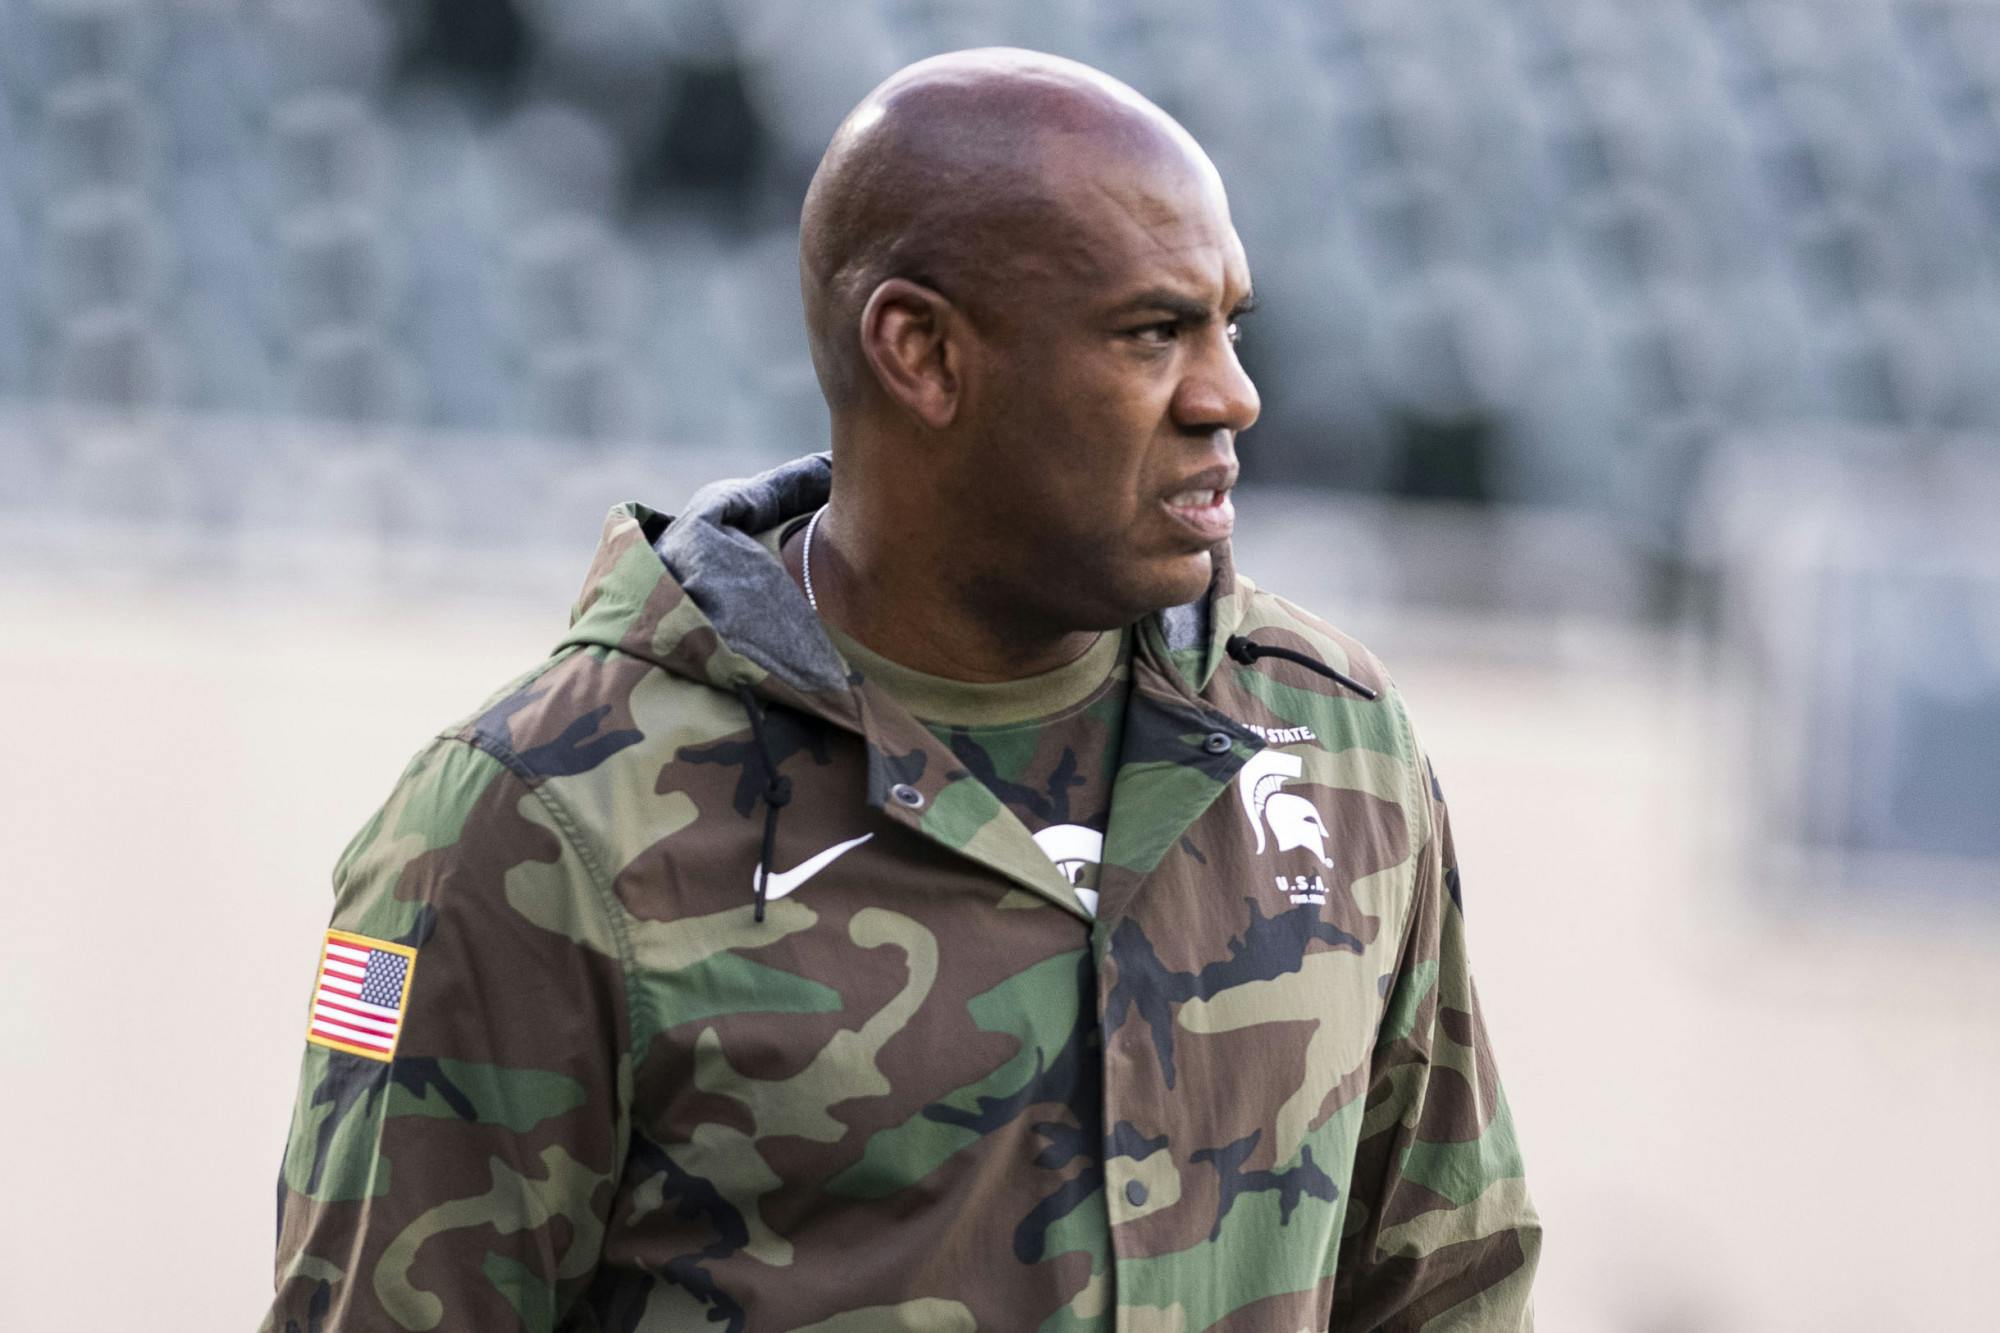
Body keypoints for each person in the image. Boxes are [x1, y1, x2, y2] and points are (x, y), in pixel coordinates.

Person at [266, 47, 1539, 1333]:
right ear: (920, 352)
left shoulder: (1329, 740)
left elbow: (1448, 1288)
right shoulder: (533, 825)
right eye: (1153, 333)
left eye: (1229, 327)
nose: (1230, 396)